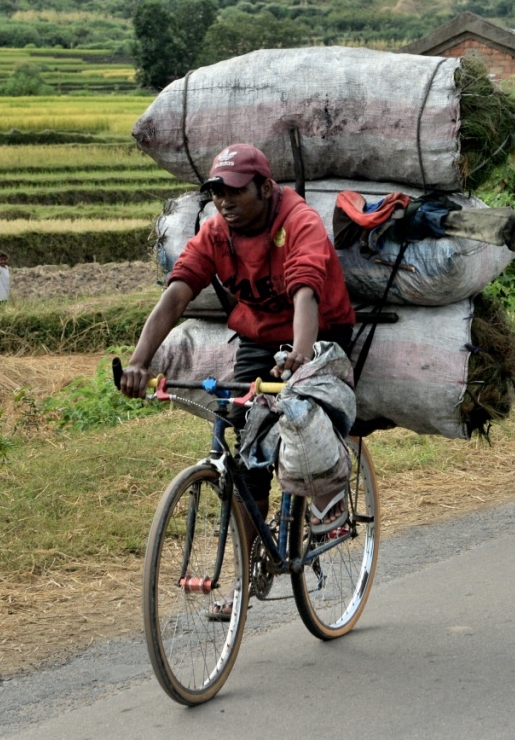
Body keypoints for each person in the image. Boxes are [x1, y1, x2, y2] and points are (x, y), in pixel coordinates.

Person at [119, 143, 356, 617]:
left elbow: (307, 293)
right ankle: (251, 573)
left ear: (265, 188)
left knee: (304, 420)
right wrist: (140, 361)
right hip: (259, 337)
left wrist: (301, 358)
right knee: (244, 456)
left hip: (318, 332)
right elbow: (177, 295)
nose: (223, 201)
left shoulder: (298, 222)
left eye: (233, 191)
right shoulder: (216, 232)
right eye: (215, 193)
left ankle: (328, 507)